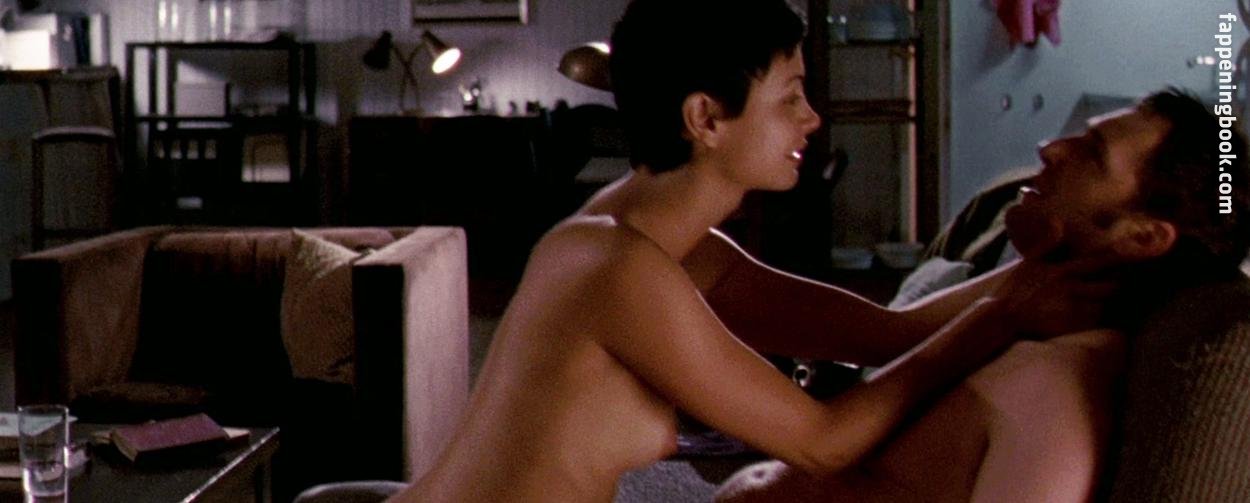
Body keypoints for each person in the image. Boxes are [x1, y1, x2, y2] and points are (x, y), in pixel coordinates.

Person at [382, 1, 1120, 502]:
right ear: (706, 118)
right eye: (791, 96)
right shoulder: (613, 265)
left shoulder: (673, 247)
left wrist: (1036, 274)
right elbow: (823, 442)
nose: (812, 117)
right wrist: (1001, 318)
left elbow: (885, 334)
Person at [711, 88, 1250, 502]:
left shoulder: (1054, 388)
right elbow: (887, 332)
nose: (1050, 147)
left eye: (1092, 153)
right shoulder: (1023, 316)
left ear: (1143, 237)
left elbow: (827, 437)